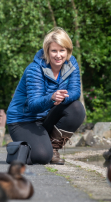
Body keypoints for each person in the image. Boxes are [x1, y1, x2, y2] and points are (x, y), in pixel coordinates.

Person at [6, 27, 86, 165]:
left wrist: (63, 97)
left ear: (68, 51)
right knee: (42, 157)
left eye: (62, 50)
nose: (58, 55)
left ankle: (52, 148)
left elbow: (75, 92)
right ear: (47, 51)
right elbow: (33, 105)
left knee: (77, 108)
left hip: (45, 117)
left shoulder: (71, 64)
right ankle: (17, 151)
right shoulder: (34, 69)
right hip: (23, 120)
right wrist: (52, 97)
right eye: (54, 50)